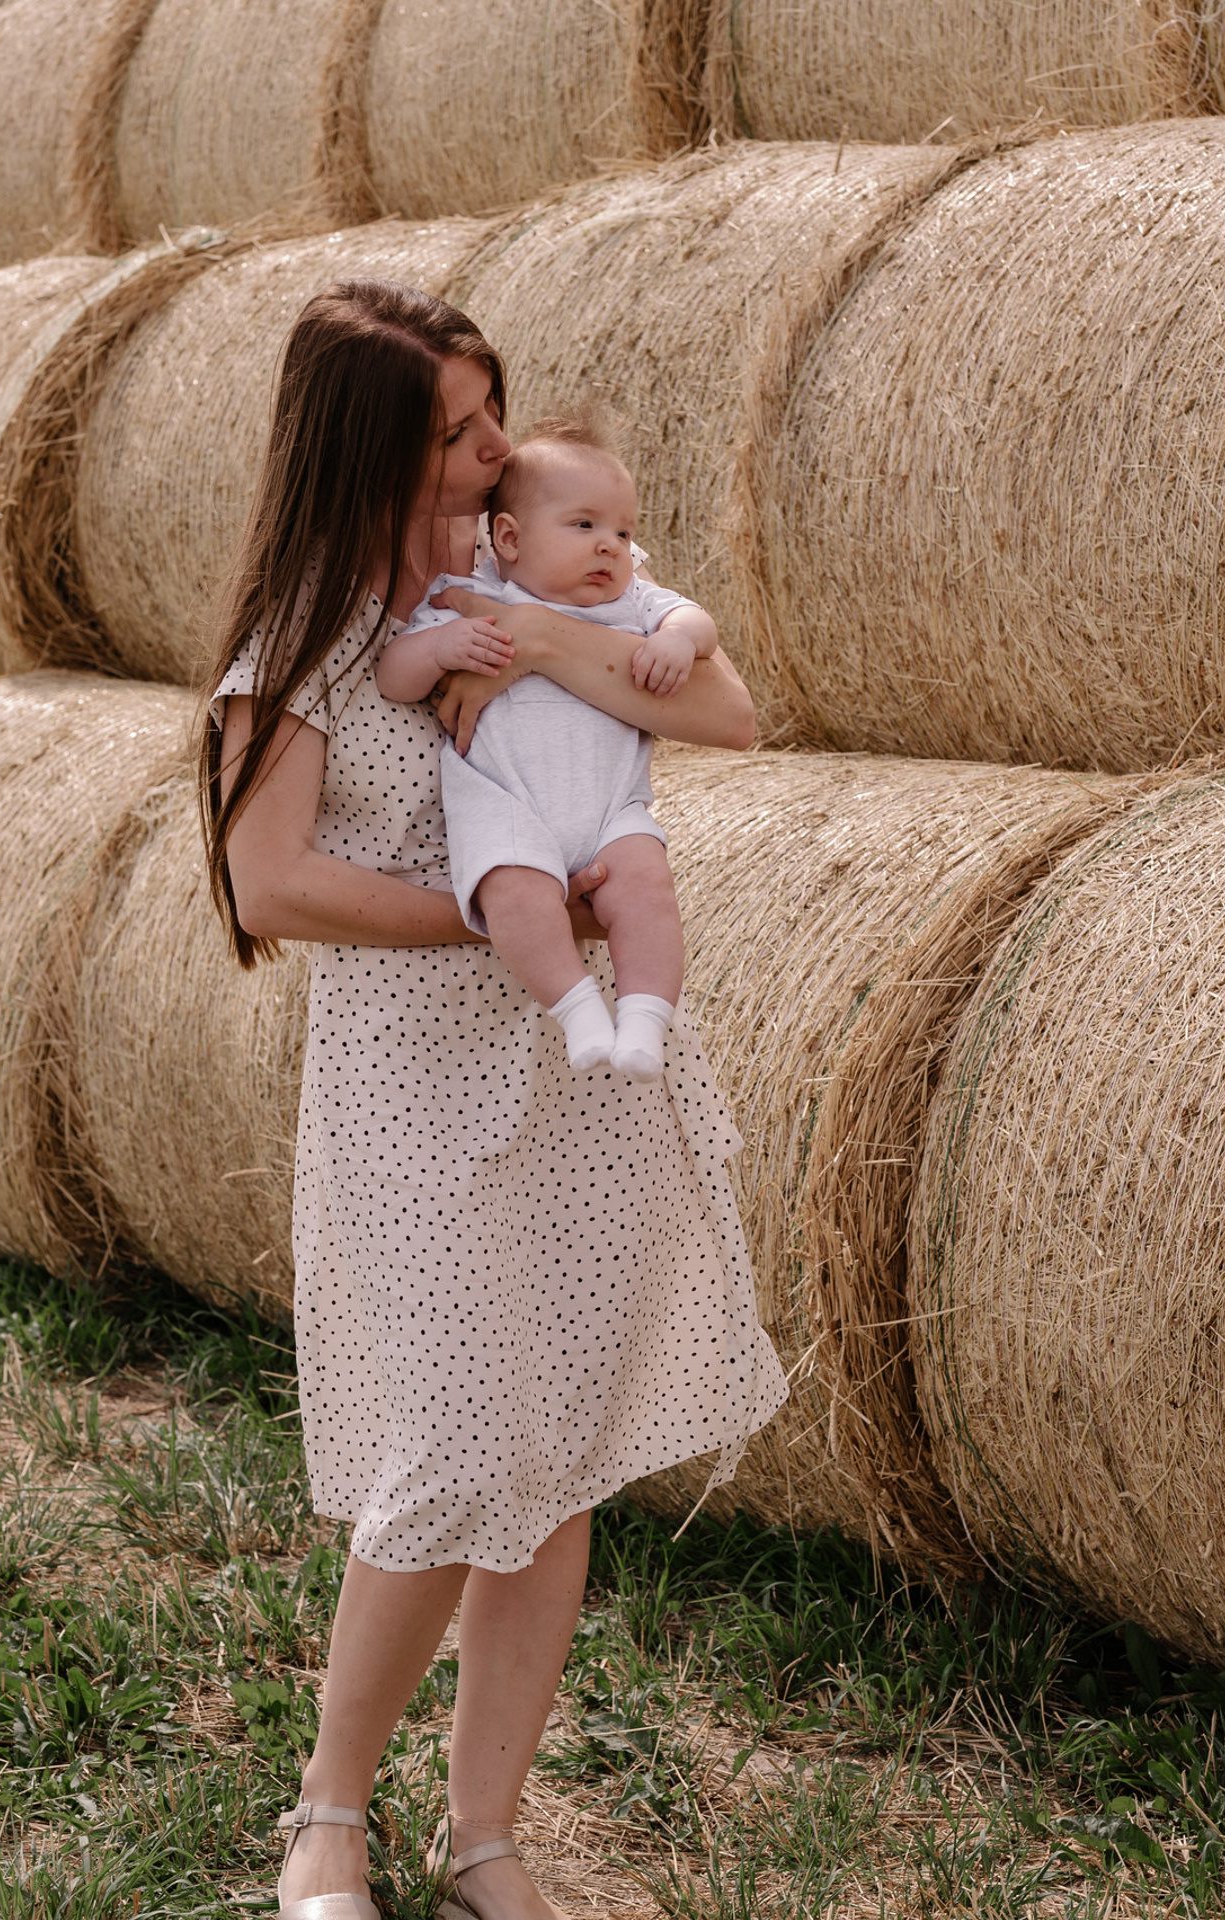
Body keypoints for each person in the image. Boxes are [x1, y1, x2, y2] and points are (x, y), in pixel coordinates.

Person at [205, 278, 788, 1920]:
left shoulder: (537, 563)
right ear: (369, 449)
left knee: (556, 1461)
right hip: (413, 1092)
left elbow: (731, 716)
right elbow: (271, 883)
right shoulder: (310, 645)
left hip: (576, 1082)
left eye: (488, 413)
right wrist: (489, 910)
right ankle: (327, 1814)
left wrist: (552, 636)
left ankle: (486, 1845)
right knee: (454, 1444)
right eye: (457, 431)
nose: (493, 446)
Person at [375, 417, 716, 1083]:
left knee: (647, 889)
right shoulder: (475, 600)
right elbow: (393, 674)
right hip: (512, 810)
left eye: (622, 530)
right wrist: (440, 649)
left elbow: (694, 618)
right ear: (509, 537)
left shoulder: (632, 603)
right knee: (513, 895)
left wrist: (679, 639)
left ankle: (645, 1017)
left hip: (613, 808)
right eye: (584, 526)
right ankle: (578, 1008)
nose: (611, 547)